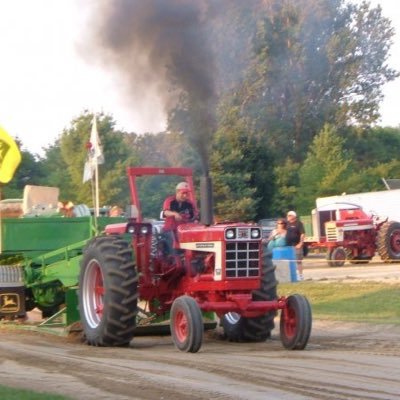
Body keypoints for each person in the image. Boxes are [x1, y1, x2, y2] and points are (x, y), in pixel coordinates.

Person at [161, 181, 196, 253]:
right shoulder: (170, 201)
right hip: (170, 229)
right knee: (174, 248)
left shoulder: (190, 203)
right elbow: (166, 212)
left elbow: (194, 216)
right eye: (183, 193)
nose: (185, 196)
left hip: (184, 231)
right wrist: (175, 214)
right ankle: (176, 260)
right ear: (177, 192)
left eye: (187, 193)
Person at [285, 210, 306, 280]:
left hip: (296, 245)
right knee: (289, 261)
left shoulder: (299, 223)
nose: (287, 217)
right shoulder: (287, 224)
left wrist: (300, 243)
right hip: (288, 246)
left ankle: (300, 276)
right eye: (287, 215)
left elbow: (302, 234)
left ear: (293, 216)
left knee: (298, 261)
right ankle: (291, 275)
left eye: (289, 215)